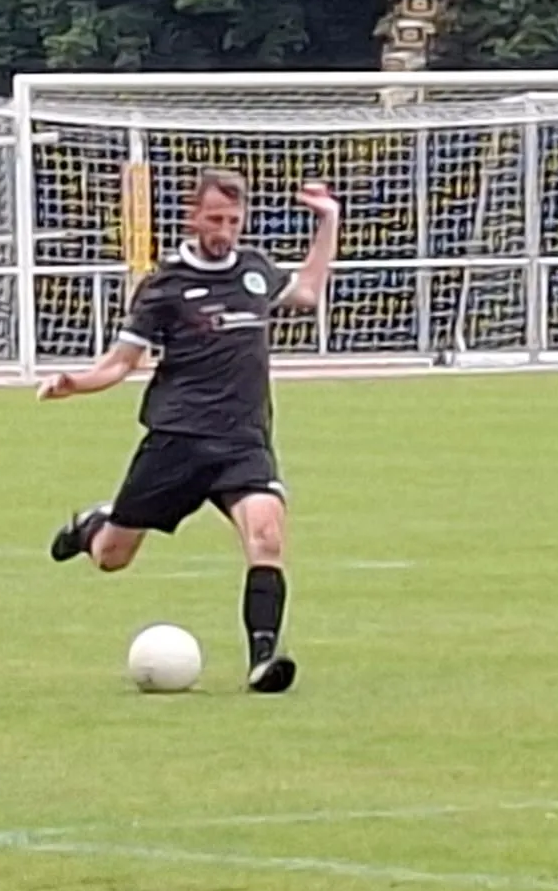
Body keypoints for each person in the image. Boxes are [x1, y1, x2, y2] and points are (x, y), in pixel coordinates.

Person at [41, 168, 340, 691]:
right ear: (192, 217)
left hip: (243, 442)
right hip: (177, 440)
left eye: (234, 220)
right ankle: (93, 525)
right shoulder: (165, 286)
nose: (225, 231)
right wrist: (76, 383)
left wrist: (328, 220)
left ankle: (263, 660)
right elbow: (122, 362)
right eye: (215, 219)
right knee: (113, 557)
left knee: (267, 537)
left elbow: (309, 292)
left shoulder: (255, 270)